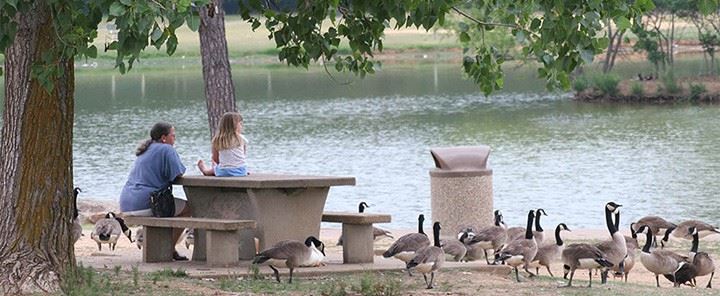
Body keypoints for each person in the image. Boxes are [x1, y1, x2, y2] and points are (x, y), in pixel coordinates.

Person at [119, 122, 191, 261]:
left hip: (126, 202)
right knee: (189, 209)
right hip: (146, 203)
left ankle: (163, 246)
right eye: (173, 135)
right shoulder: (167, 149)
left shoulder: (145, 149)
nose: (174, 139)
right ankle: (169, 249)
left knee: (172, 208)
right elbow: (178, 174)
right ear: (164, 137)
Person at [197, 112, 249, 177]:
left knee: (215, 168)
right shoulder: (241, 138)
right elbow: (243, 155)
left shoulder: (217, 140)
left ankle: (205, 170)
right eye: (240, 124)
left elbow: (215, 158)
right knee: (220, 167)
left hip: (224, 172)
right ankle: (214, 167)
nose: (242, 126)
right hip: (241, 171)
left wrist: (219, 164)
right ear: (235, 126)